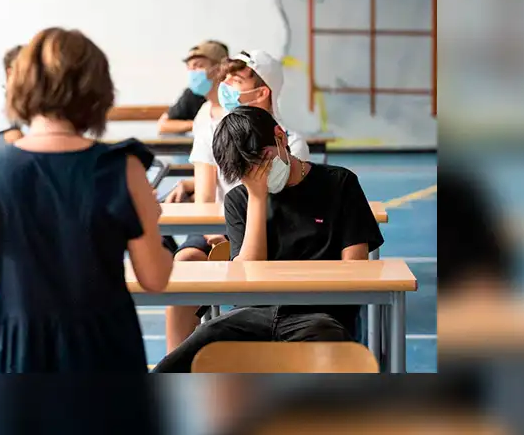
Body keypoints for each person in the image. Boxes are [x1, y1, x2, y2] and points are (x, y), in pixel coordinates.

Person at [0, 27, 174, 373]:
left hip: (18, 346)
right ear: (98, 91)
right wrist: (152, 223)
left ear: (18, 85)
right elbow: (155, 279)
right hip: (104, 345)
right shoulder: (124, 169)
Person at [153, 106, 382, 372]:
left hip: (318, 315)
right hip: (251, 316)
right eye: (245, 172)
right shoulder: (239, 200)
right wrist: (258, 198)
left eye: (261, 163)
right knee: (178, 362)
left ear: (280, 138)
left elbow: (355, 272)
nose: (256, 176)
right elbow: (248, 276)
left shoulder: (340, 184)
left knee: (328, 354)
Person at [163, 50, 311, 351]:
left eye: (236, 80)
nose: (226, 86)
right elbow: (205, 196)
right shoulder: (210, 132)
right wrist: (214, 235)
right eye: (225, 79)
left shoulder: (292, 143)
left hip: (268, 228)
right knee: (185, 262)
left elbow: (282, 205)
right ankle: (175, 358)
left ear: (262, 92)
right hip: (218, 224)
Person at [156, 40, 229, 135]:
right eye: (189, 67)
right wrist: (199, 125)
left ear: (219, 70)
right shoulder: (204, 111)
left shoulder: (235, 101)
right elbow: (163, 125)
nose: (192, 72)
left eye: (198, 65)